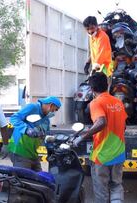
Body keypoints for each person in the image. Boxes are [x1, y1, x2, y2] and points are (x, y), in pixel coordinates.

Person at [73, 72, 127, 203]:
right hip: (119, 152)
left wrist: (82, 137)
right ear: (107, 85)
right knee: (116, 186)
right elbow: (124, 126)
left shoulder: (96, 102)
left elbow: (101, 122)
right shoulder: (118, 102)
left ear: (91, 89)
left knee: (101, 191)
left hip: (102, 154)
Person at [8, 96, 61, 172]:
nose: (54, 112)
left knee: (39, 180)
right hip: (20, 150)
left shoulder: (46, 121)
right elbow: (14, 118)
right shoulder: (33, 107)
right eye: (55, 109)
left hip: (33, 154)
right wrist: (26, 129)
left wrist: (51, 149)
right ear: (51, 105)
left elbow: (45, 137)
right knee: (24, 180)